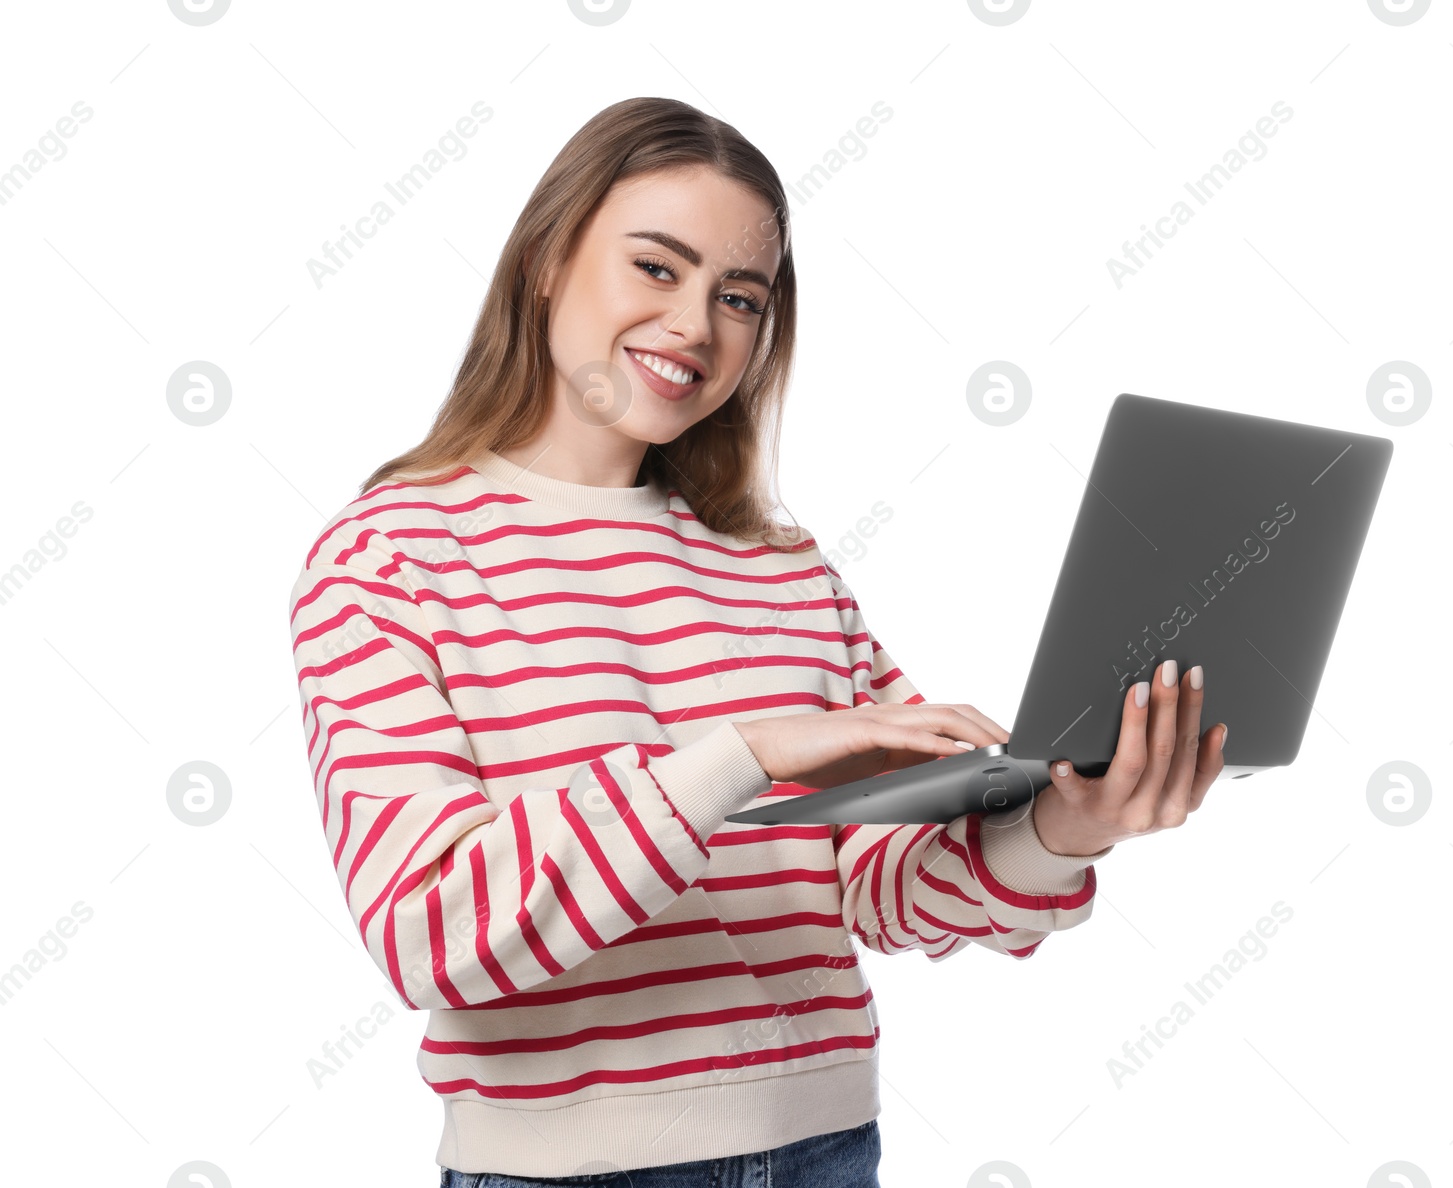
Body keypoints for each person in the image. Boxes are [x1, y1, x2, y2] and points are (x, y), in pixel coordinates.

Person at [286, 96, 1225, 1188]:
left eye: (738, 296)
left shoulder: (779, 564)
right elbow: (430, 932)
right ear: (544, 259)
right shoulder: (390, 556)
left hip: (823, 1154)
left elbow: (874, 880)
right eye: (655, 267)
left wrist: (1066, 822)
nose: (695, 325)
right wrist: (744, 754)